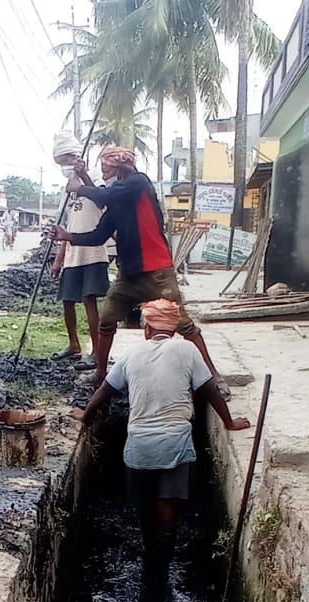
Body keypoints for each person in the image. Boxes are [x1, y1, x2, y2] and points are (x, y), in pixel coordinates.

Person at [73, 299, 250, 574]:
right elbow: (210, 390)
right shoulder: (187, 350)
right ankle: (163, 563)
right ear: (174, 329)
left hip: (138, 447)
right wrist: (228, 421)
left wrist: (85, 415)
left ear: (146, 328)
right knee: (168, 506)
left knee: (145, 505)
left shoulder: (132, 354)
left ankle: (148, 554)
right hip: (175, 443)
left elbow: (105, 391)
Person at [54, 145, 226, 394]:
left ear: (120, 167)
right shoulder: (118, 198)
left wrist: (79, 187)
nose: (104, 174)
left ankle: (213, 377)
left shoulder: (137, 183)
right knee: (107, 320)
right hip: (129, 274)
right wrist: (67, 235)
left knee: (183, 324)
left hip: (156, 270)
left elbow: (103, 196)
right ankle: (101, 374)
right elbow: (98, 235)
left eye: (106, 168)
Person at [50, 131, 109, 373]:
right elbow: (69, 225)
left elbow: (102, 201)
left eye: (65, 161)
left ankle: (95, 351)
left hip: (93, 250)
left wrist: (83, 177)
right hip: (73, 251)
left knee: (89, 300)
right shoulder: (68, 187)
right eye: (59, 163)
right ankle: (74, 344)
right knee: (67, 300)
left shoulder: (93, 174)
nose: (63, 166)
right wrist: (59, 258)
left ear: (74, 156)